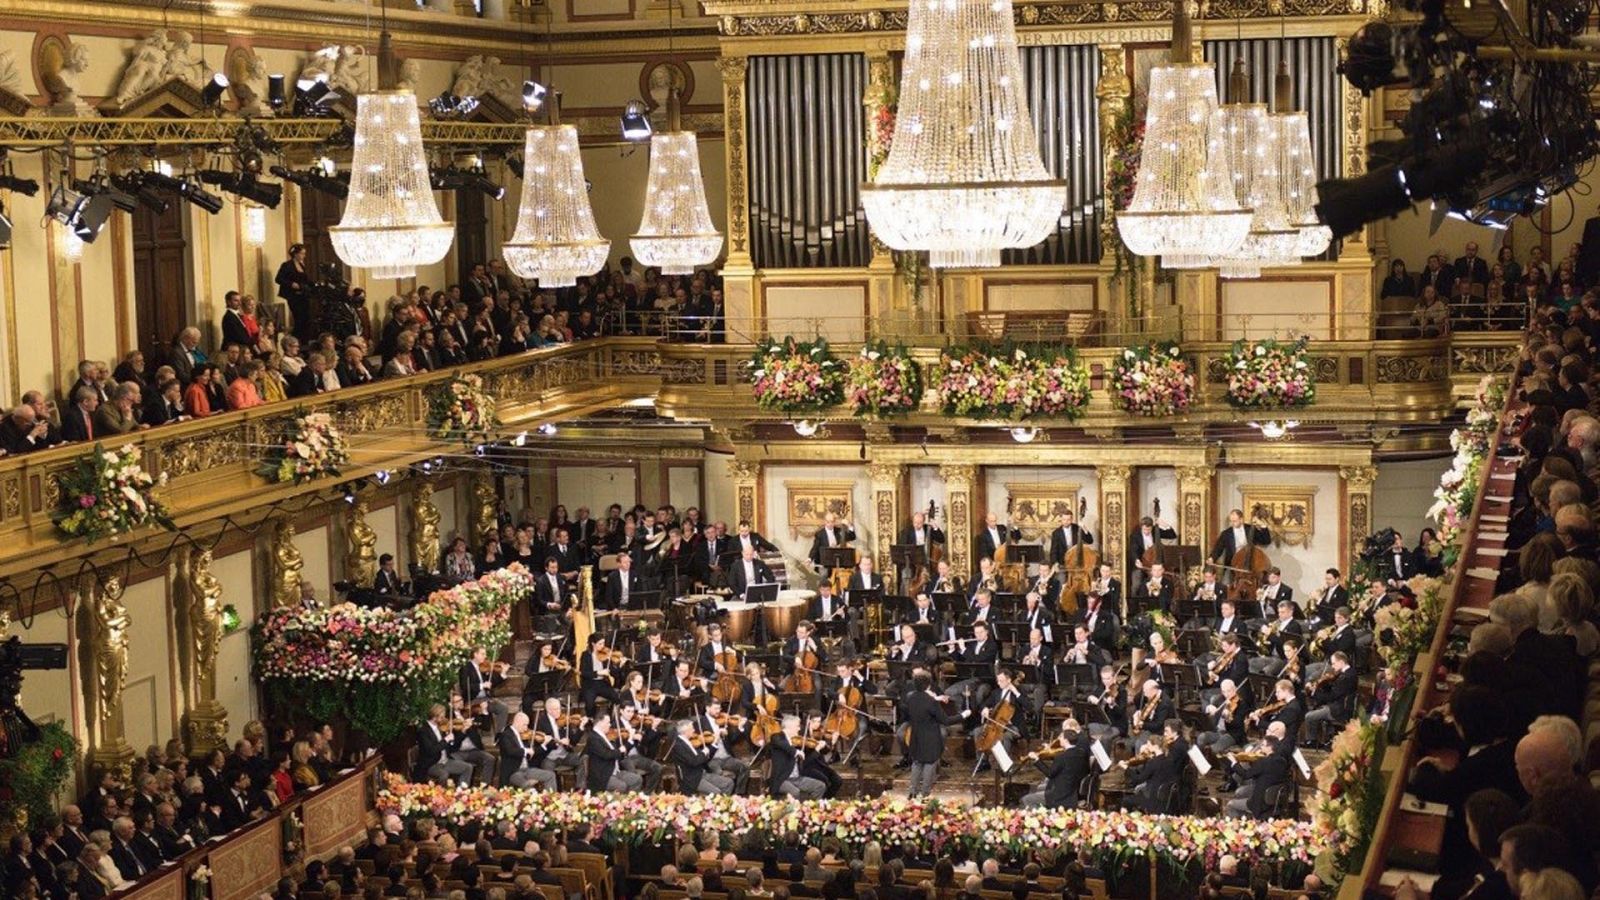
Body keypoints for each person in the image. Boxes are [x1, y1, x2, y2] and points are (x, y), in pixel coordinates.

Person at [904, 670, 970, 797]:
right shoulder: (931, 702)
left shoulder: (911, 698)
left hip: (915, 736)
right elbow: (945, 720)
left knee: (917, 762)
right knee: (930, 763)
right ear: (929, 685)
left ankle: (912, 792)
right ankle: (925, 794)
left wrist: (933, 697)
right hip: (930, 738)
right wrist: (962, 715)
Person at [1020, 720, 1091, 809]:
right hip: (1071, 792)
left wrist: (1037, 759)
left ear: (1066, 740)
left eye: (1061, 737)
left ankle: (1043, 818)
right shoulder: (1081, 753)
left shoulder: (1062, 757)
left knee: (1027, 799)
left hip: (1061, 795)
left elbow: (1050, 773)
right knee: (1040, 788)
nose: (1059, 739)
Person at [767, 715, 827, 800]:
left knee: (820, 786)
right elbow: (782, 744)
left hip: (797, 778)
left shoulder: (797, 742)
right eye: (797, 726)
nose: (799, 729)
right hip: (782, 779)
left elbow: (806, 761)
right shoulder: (777, 737)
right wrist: (796, 752)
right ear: (789, 726)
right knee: (795, 792)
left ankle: (808, 808)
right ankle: (795, 811)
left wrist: (817, 750)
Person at [277, 245, 312, 339]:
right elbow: (278, 279)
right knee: (298, 318)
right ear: (296, 254)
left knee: (306, 317)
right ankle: (297, 338)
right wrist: (291, 284)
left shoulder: (302, 265)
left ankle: (304, 339)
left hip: (303, 295)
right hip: (293, 296)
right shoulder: (287, 265)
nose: (304, 255)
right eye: (302, 253)